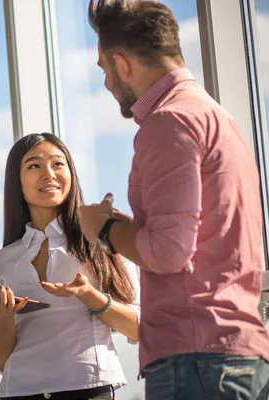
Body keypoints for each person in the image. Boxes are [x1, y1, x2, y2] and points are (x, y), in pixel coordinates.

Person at [77, 1, 269, 399]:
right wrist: (132, 228)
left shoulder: (169, 122)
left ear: (123, 64)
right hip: (232, 354)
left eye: (105, 70)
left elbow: (167, 252)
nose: (108, 84)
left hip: (195, 360)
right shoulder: (216, 117)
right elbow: (198, 241)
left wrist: (104, 229)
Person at [0, 133, 140, 400]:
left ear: (71, 174)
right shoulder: (2, 261)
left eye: (57, 164)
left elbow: (138, 327)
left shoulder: (102, 238)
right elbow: (3, 360)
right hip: (20, 392)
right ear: (16, 181)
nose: (49, 174)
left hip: (89, 386)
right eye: (34, 166)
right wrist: (1, 317)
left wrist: (89, 296)